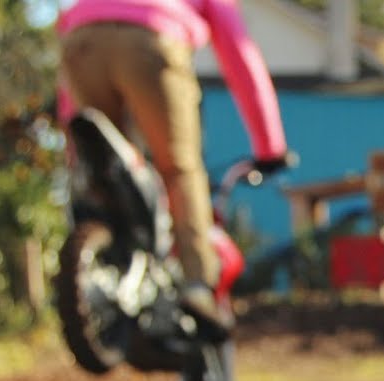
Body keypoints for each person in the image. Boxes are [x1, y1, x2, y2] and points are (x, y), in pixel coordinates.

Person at [55, 0, 290, 332]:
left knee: (108, 169)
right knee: (180, 170)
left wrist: (76, 150)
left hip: (80, 41)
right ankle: (197, 285)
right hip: (150, 39)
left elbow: (76, 113)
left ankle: (109, 265)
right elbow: (240, 56)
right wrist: (271, 146)